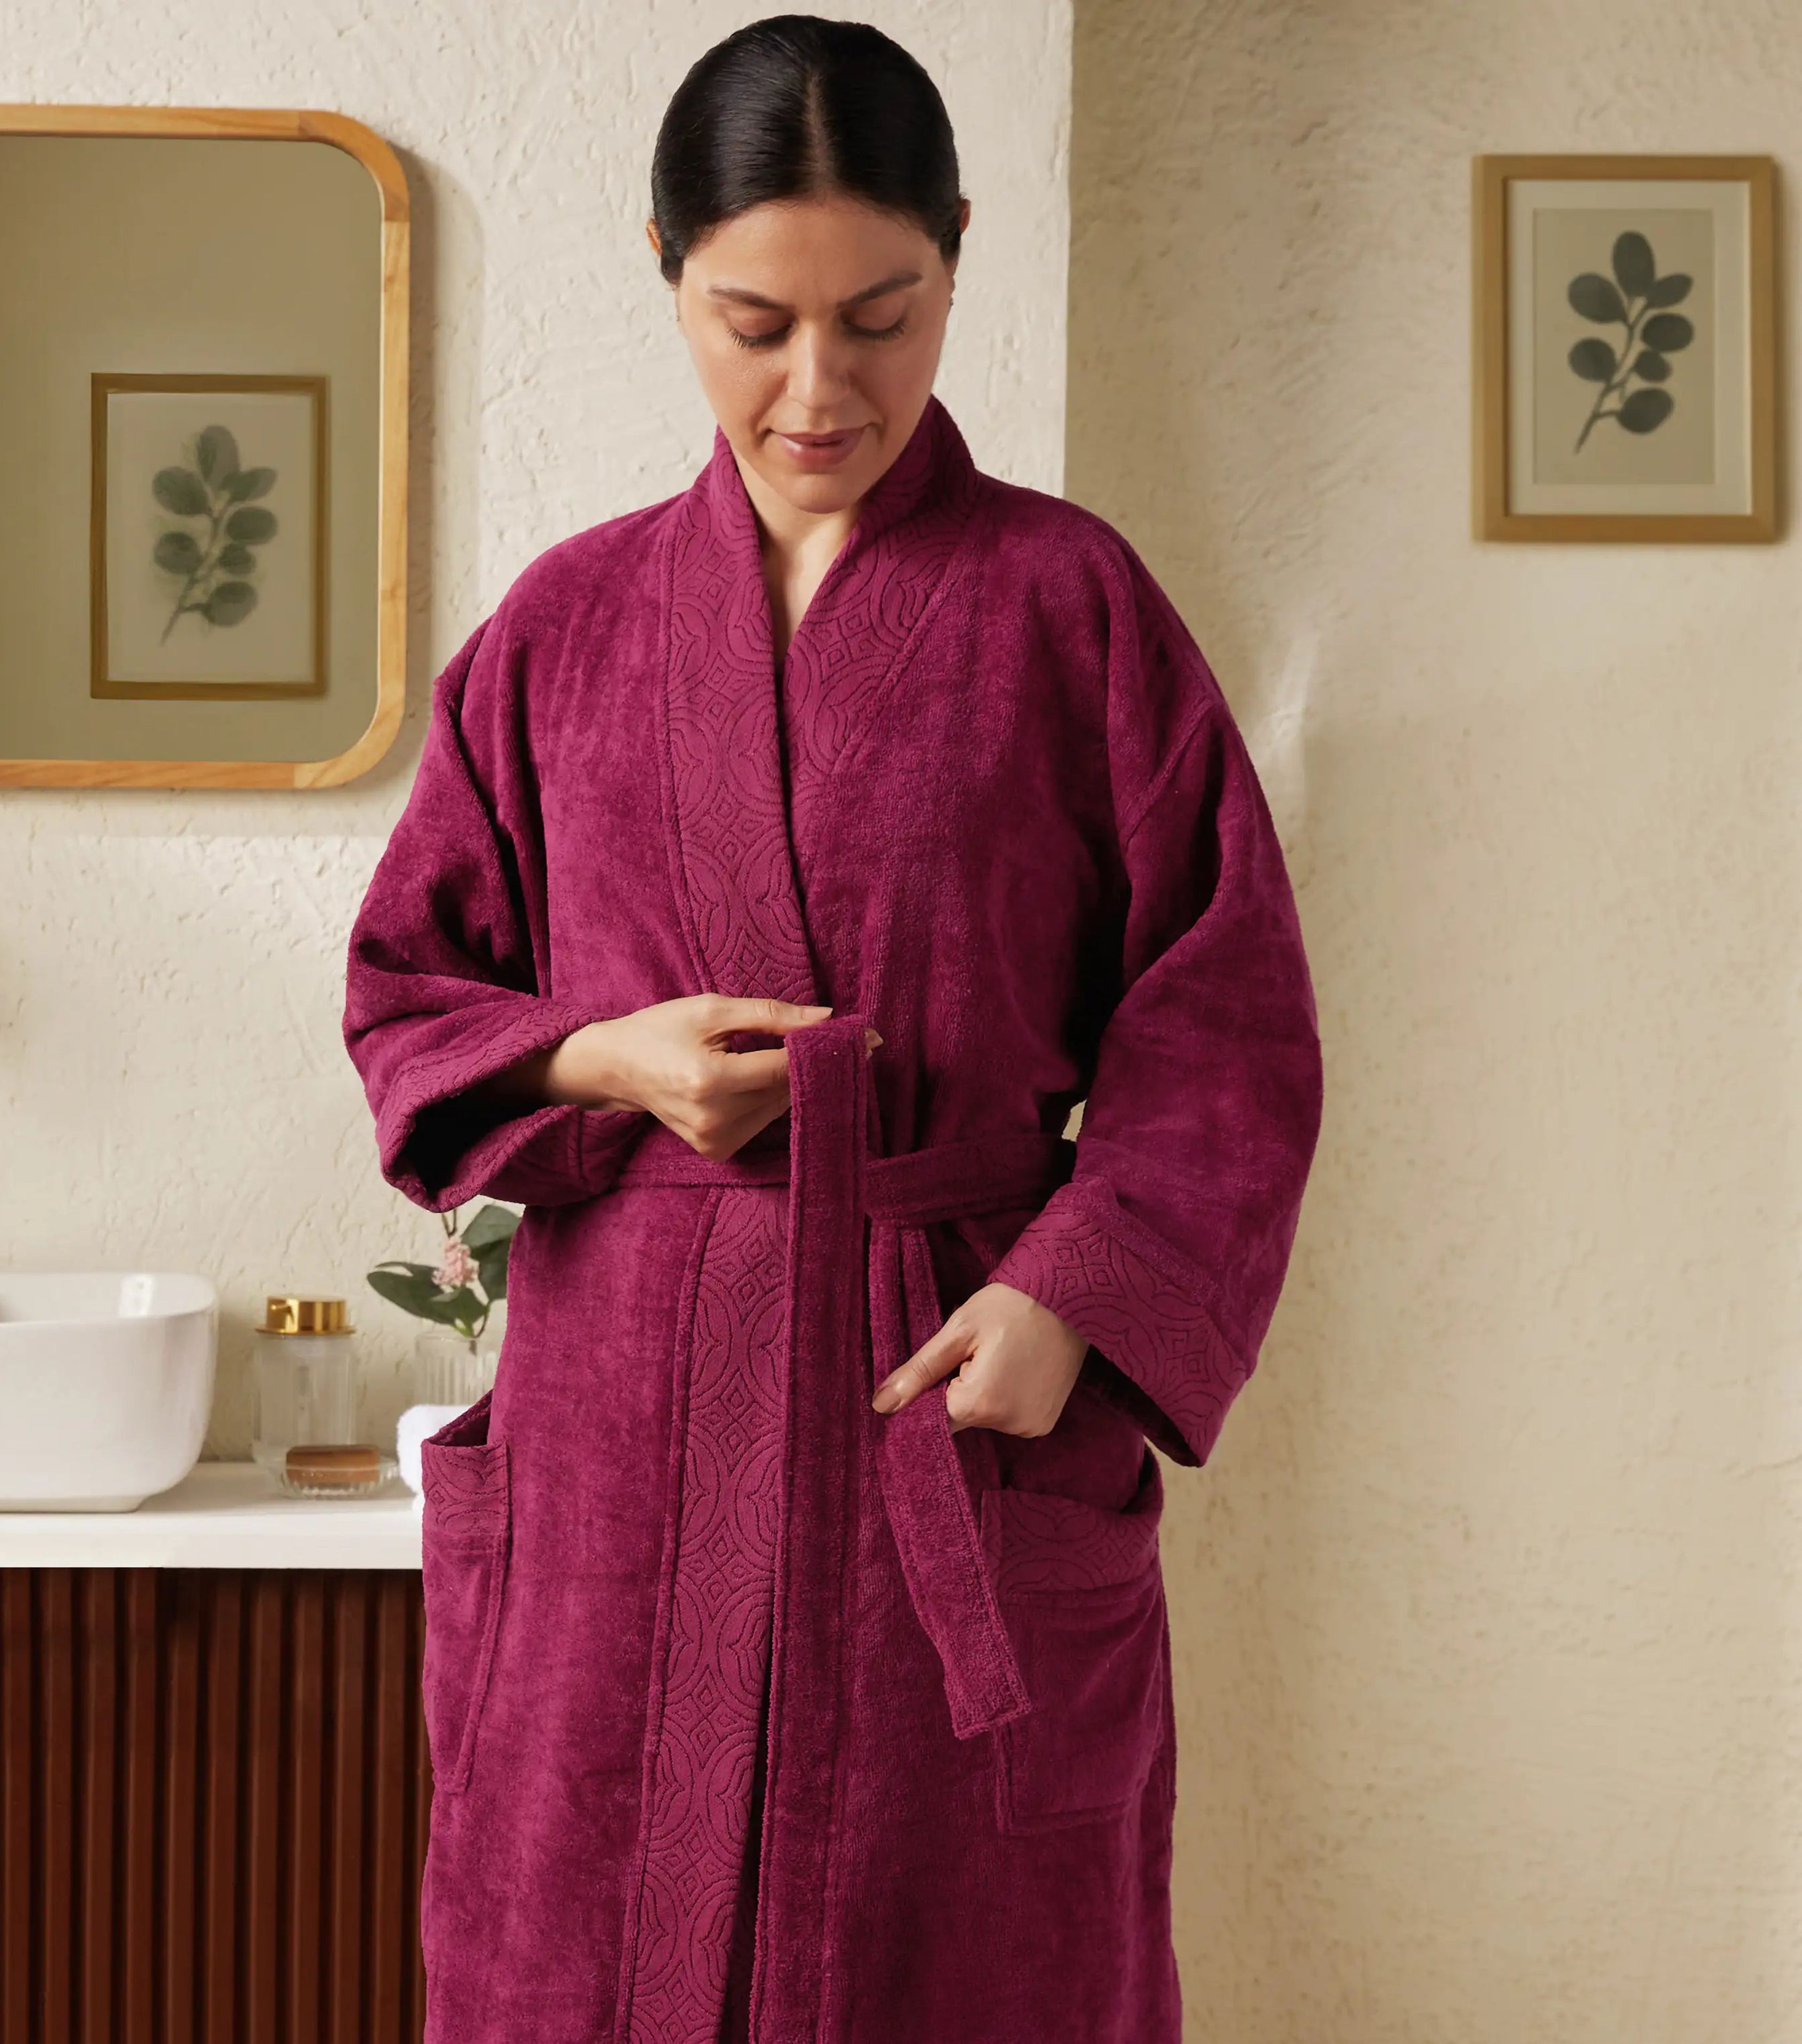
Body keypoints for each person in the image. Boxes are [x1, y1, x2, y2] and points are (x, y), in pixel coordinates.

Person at [343, 15, 1323, 2042]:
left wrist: (1074, 1297)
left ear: (955, 258)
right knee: (580, 1946)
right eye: (755, 323)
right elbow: (410, 990)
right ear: (667, 274)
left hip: (945, 1396)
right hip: (624, 1431)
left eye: (883, 319)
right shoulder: (565, 627)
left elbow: (1226, 1022)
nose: (821, 388)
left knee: (962, 1958)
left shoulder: (1072, 605)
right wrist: (605, 1059)